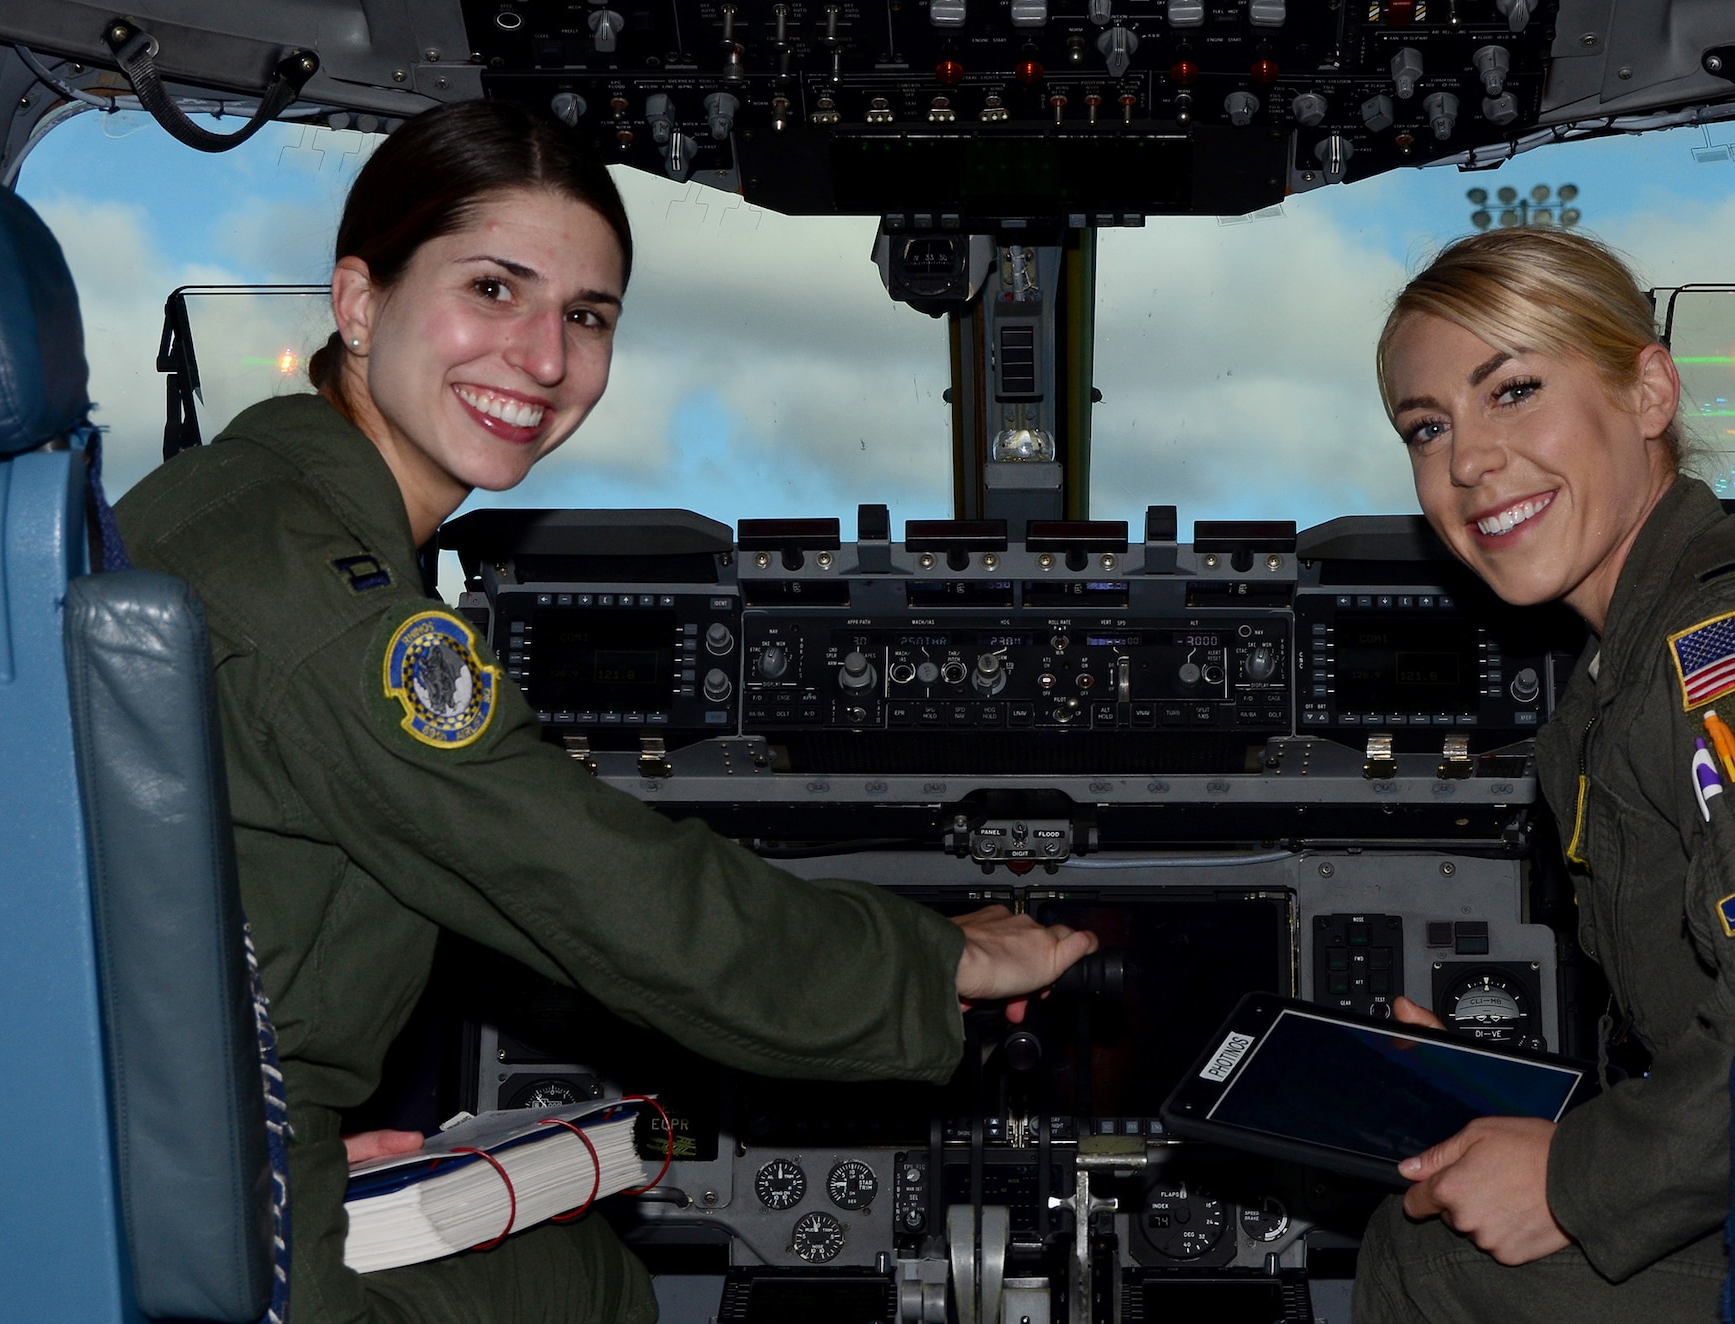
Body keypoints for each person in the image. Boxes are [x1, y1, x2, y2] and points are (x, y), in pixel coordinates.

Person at [114, 99, 1095, 1324]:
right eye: (492, 287)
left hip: (180, 1142)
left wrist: (288, 1127)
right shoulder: (328, 595)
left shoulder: (233, 502)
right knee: (588, 1291)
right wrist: (934, 956)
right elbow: (586, 879)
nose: (540, 359)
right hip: (222, 1216)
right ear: (359, 302)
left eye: (585, 316)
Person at [1350, 228, 1735, 1322]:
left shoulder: (1715, 637)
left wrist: (1568, 1178)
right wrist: (1523, 1104)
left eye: (1513, 391)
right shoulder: (1618, 669)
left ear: (1647, 392)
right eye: (1427, 426)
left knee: (1423, 1254)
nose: (1464, 463)